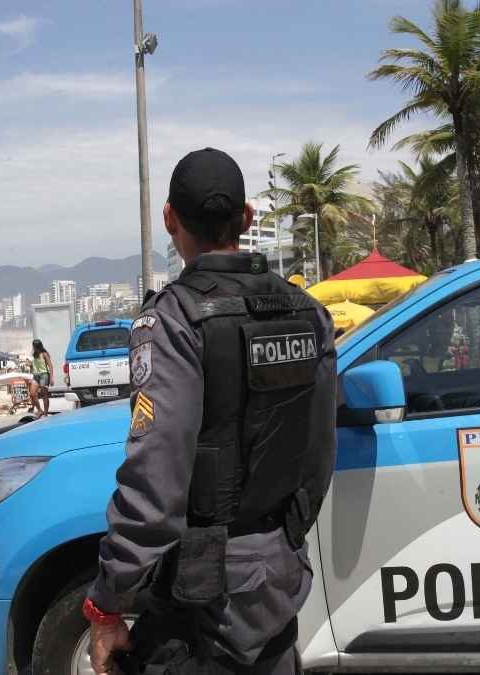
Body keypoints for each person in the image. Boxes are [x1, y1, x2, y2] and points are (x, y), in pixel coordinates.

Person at [85, 148, 337, 675]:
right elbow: (319, 454)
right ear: (246, 220)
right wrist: (281, 536)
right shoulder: (308, 312)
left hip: (204, 598)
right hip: (278, 572)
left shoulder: (174, 320)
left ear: (170, 219)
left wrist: (106, 603)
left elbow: (155, 485)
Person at [29, 339, 55, 416]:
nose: (33, 347)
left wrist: (51, 378)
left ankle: (46, 414)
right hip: (36, 375)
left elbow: (50, 366)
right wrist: (31, 367)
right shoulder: (34, 355)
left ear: (37, 346)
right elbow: (33, 365)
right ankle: (40, 410)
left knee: (44, 395)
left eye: (34, 346)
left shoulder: (44, 354)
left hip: (44, 375)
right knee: (32, 394)